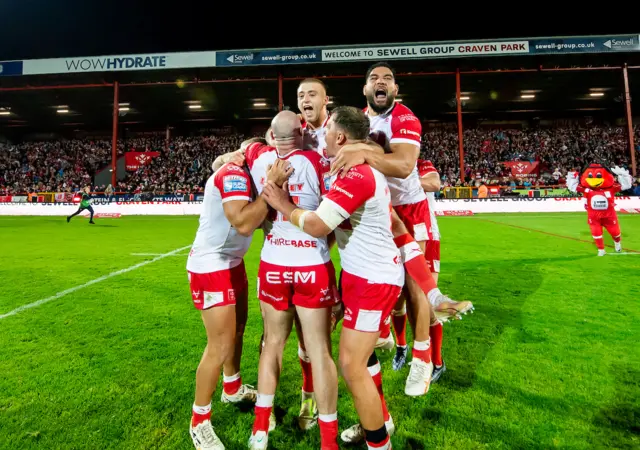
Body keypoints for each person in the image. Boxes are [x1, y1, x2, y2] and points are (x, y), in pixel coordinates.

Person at [263, 106, 405, 450]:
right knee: (363, 361)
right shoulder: (350, 165)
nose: (321, 137)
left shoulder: (355, 174)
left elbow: (317, 225)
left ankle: (379, 443)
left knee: (351, 365)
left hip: (374, 281)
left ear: (340, 137)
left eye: (327, 131)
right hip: (360, 276)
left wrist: (282, 202)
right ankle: (379, 420)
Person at [331, 62, 470, 394]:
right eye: (373, 79)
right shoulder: (358, 120)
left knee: (414, 287)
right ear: (365, 90)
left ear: (395, 90)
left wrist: (363, 151)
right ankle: (390, 339)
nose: (381, 82)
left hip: (411, 211)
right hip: (379, 210)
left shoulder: (404, 117)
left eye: (388, 79)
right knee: (387, 287)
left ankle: (423, 358)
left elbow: (405, 165)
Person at [186, 137, 292, 450]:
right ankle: (199, 421)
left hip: (232, 263)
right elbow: (244, 223)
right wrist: (271, 186)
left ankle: (231, 388)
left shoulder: (248, 176)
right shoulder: (234, 173)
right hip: (211, 265)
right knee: (218, 346)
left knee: (238, 333)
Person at [245, 111, 340, 450]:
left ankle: (260, 429)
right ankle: (328, 440)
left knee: (271, 344)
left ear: (271, 135)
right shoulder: (317, 161)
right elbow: (332, 219)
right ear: (301, 133)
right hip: (311, 264)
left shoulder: (259, 160)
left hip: (273, 264)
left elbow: (248, 147)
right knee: (318, 350)